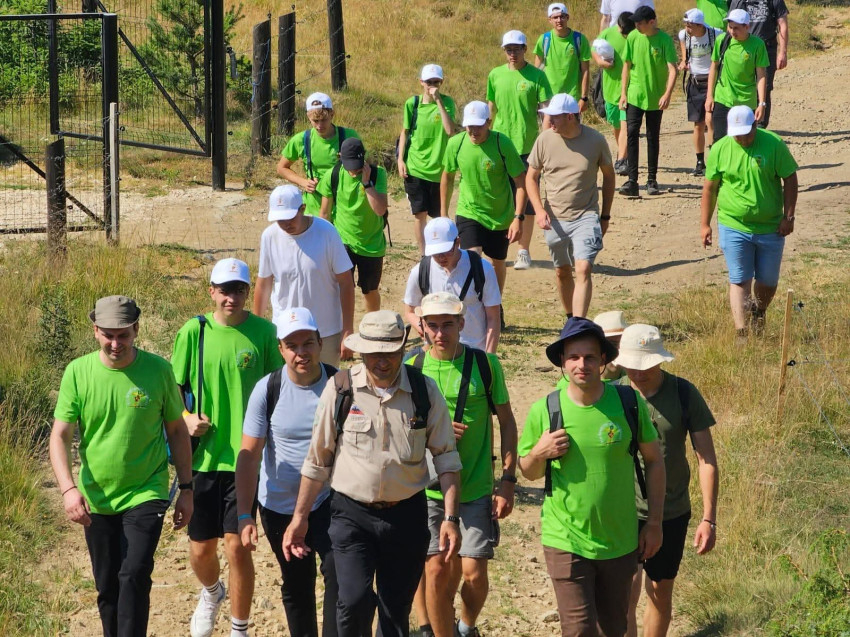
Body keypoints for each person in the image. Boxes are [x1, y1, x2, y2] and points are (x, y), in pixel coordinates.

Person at [282, 311, 463, 637]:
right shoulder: (341, 390)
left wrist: (450, 517)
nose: (382, 361)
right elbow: (318, 461)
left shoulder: (424, 391)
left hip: (406, 516)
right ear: (362, 351)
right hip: (352, 515)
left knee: (395, 612)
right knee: (352, 601)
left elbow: (447, 458)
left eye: (390, 352)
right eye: (374, 353)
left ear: (403, 348)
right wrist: (300, 518)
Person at [49, 295, 194, 637]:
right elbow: (60, 436)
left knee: (134, 574)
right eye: (109, 335)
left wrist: (187, 489)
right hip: (97, 495)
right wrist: (68, 490)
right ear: (95, 331)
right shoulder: (78, 372)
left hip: (147, 489)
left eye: (123, 335)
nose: (116, 344)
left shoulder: (159, 371)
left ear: (136, 330)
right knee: (107, 586)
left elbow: (177, 430)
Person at [518, 317, 665, 637]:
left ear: (603, 360)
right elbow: (528, 471)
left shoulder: (628, 403)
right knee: (579, 630)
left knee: (613, 629)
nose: (581, 364)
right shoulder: (546, 409)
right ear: (562, 361)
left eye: (589, 357)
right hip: (565, 538)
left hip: (619, 540)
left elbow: (655, 461)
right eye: (573, 357)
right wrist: (539, 453)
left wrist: (654, 523)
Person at [172, 258, 283, 637]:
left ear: (248, 292)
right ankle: (211, 592)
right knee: (201, 549)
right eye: (224, 290)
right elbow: (173, 389)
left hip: (246, 459)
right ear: (211, 292)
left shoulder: (265, 333)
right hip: (202, 457)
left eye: (238, 290)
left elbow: (277, 389)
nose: (231, 297)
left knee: (238, 547)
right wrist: (186, 418)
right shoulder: (194, 331)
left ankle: (240, 628)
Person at [408, 293, 518, 637]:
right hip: (427, 488)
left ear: (462, 324)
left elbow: (507, 422)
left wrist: (508, 480)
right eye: (433, 325)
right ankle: (433, 630)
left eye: (448, 325)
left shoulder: (485, 365)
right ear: (423, 327)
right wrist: (433, 431)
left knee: (473, 573)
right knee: (436, 569)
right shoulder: (412, 368)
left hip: (475, 486)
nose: (440, 333)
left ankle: (466, 627)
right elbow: (397, 427)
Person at [235, 307, 338, 637]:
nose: (301, 353)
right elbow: (249, 456)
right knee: (297, 584)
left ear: (320, 342)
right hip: (280, 506)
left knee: (339, 575)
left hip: (330, 501)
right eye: (292, 346)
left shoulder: (340, 385)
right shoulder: (268, 390)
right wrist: (244, 514)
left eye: (308, 343)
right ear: (280, 349)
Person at [613, 324, 719, 637]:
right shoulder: (612, 395)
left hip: (672, 510)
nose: (638, 372)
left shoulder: (684, 394)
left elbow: (706, 459)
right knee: (623, 594)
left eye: (646, 365)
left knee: (659, 591)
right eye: (632, 365)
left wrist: (709, 519)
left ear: (660, 360)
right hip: (621, 509)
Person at [700, 105, 798, 339]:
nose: (742, 139)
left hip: (771, 227)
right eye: (737, 135)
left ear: (755, 125)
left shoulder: (774, 144)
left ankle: (759, 312)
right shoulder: (720, 148)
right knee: (739, 279)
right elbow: (710, 188)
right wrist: (705, 224)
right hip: (733, 224)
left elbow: (790, 179)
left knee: (768, 282)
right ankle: (741, 333)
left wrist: (788, 216)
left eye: (746, 133)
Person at [526, 93, 615, 320]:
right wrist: (539, 210)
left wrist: (605, 216)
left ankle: (579, 324)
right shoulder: (544, 140)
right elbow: (530, 178)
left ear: (569, 117)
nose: (549, 121)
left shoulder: (596, 140)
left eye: (554, 117)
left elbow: (609, 176)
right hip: (554, 219)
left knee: (583, 268)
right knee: (562, 271)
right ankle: (570, 319)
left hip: (586, 215)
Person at [253, 184, 355, 366]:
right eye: (280, 219)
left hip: (324, 330)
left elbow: (346, 282)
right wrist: (257, 329)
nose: (285, 224)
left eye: (290, 217)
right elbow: (264, 284)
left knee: (327, 381)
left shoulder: (326, 232)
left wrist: (347, 330)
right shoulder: (269, 236)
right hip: (285, 330)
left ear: (303, 209)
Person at [441, 101, 526, 296]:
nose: (474, 131)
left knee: (498, 262)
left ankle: (495, 302)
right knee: (472, 259)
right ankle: (473, 303)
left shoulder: (502, 143)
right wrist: (444, 213)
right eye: (470, 126)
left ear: (489, 122)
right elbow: (447, 176)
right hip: (469, 211)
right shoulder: (456, 144)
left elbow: (521, 182)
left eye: (479, 126)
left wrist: (518, 218)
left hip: (500, 216)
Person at [487, 29, 553, 270]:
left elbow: (546, 110)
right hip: (499, 145)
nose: (512, 53)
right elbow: (490, 108)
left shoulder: (537, 76)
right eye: (508, 49)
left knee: (527, 199)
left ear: (525, 49)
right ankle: (499, 247)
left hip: (528, 146)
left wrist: (544, 141)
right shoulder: (495, 75)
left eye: (516, 49)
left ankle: (523, 250)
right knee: (501, 197)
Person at [404, 217, 502, 353]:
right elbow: (409, 311)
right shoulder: (420, 271)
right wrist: (426, 330)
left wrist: (489, 357)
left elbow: (493, 317)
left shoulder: (482, 269)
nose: (441, 257)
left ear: (458, 242)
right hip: (436, 353)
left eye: (446, 251)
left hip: (474, 350)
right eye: (435, 253)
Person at [318, 137, 389, 312]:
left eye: (357, 165)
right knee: (341, 288)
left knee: (370, 291)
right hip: (343, 242)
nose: (354, 170)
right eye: (350, 166)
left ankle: (372, 324)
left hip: (371, 244)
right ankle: (342, 325)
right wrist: (323, 244)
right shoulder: (333, 175)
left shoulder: (377, 174)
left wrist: (367, 184)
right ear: (340, 157)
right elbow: (325, 213)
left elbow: (380, 210)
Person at [398, 64, 457, 255]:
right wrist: (400, 160)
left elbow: (450, 130)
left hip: (440, 170)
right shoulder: (412, 104)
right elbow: (405, 132)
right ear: (421, 82)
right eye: (429, 82)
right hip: (416, 167)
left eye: (436, 82)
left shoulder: (447, 102)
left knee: (440, 215)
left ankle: (442, 251)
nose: (432, 85)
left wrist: (438, 100)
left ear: (441, 82)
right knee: (420, 214)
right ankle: (424, 254)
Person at [619, 6, 678, 198]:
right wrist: (623, 93)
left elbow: (673, 69)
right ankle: (632, 181)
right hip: (635, 94)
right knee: (632, 133)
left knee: (653, 136)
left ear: (652, 22)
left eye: (640, 23)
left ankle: (652, 179)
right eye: (635, 22)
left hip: (655, 96)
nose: (636, 26)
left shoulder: (664, 40)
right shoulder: (633, 37)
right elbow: (626, 65)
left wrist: (667, 94)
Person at [277, 92, 360, 217]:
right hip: (314, 206)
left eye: (324, 120)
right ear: (308, 116)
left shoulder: (349, 136)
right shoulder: (301, 140)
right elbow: (281, 167)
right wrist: (303, 182)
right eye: (315, 121)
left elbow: (366, 164)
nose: (320, 125)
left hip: (344, 206)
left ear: (332, 114)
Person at [705, 9, 768, 143]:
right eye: (730, 27)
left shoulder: (758, 45)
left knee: (745, 141)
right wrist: (709, 96)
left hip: (746, 100)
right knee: (720, 140)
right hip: (723, 98)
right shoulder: (722, 40)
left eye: (736, 28)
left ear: (747, 27)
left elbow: (761, 76)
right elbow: (714, 68)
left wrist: (762, 103)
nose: (732, 31)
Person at [678, 9, 725, 176]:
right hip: (695, 82)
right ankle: (700, 162)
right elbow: (685, 55)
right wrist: (684, 63)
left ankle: (713, 160)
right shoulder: (684, 35)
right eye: (686, 25)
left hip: (712, 82)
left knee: (710, 121)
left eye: (690, 25)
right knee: (698, 124)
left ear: (700, 25)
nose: (687, 29)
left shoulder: (716, 34)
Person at [728, 0, 789, 128]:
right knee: (742, 85)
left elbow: (782, 24)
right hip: (744, 47)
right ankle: (742, 124)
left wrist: (782, 52)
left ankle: (760, 125)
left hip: (767, 47)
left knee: (765, 86)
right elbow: (730, 24)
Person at [593, 12, 636, 176]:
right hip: (610, 89)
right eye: (623, 32)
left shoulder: (636, 36)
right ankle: (624, 153)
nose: (625, 35)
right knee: (616, 125)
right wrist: (600, 61)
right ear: (619, 25)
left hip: (630, 88)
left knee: (626, 125)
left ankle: (621, 159)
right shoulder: (607, 33)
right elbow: (594, 48)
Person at [533, 3, 591, 104]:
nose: (559, 20)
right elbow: (537, 70)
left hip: (572, 97)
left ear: (567, 17)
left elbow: (585, 70)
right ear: (550, 20)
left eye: (562, 17)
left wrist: (584, 98)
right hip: (548, 97)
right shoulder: (544, 40)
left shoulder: (579, 39)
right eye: (555, 17)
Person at [593, 309, 629, 380]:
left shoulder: (635, 380)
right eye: (612, 344)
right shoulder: (583, 382)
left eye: (623, 344)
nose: (619, 350)